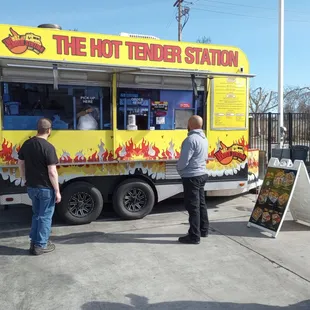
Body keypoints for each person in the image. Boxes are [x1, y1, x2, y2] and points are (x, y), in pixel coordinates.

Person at [18, 118, 61, 255]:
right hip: (46, 188)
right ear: (49, 130)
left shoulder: (27, 144)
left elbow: (20, 162)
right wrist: (57, 191)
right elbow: (52, 172)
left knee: (37, 215)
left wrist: (24, 178)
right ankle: (40, 245)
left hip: (31, 186)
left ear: (37, 129)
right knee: (45, 217)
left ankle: (34, 242)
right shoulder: (48, 147)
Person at [176, 115, 209, 244]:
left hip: (191, 176)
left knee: (193, 206)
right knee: (201, 204)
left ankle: (194, 236)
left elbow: (184, 161)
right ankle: (203, 229)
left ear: (189, 125)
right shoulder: (204, 138)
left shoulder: (190, 140)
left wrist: (178, 169)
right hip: (202, 174)